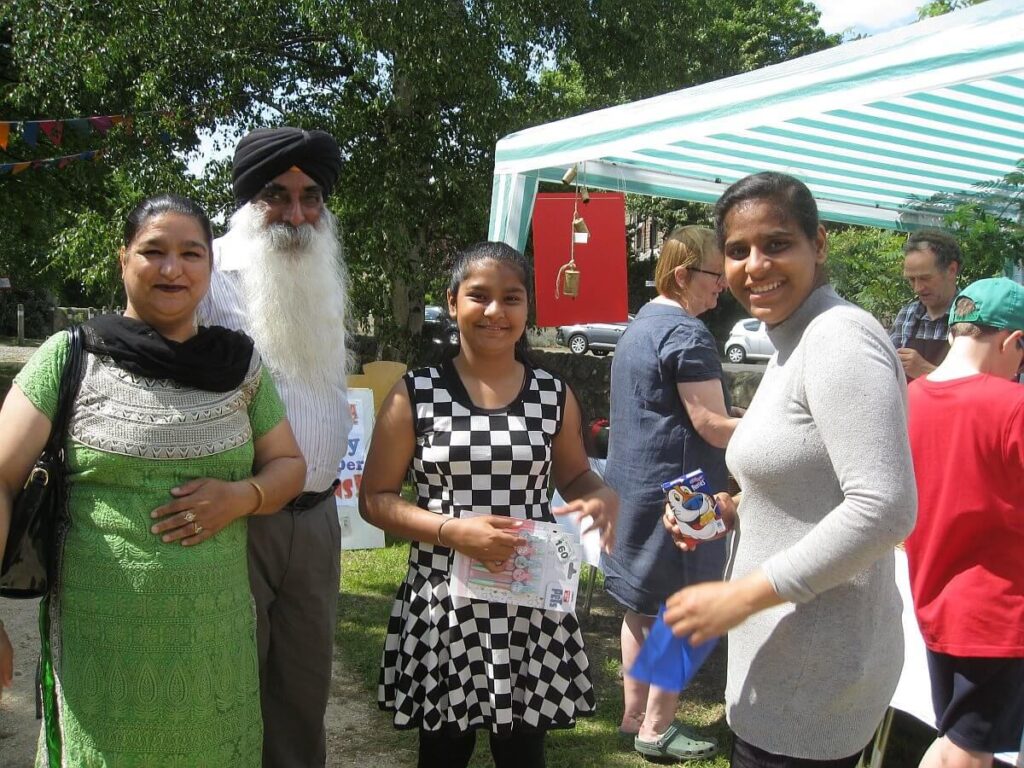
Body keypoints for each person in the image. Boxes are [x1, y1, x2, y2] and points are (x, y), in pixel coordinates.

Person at [0, 194, 306, 765]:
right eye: (153, 251)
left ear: (210, 266)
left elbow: (290, 465)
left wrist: (243, 496)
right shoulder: (71, 357)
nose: (173, 269)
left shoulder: (239, 367)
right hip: (102, 651)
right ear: (123, 259)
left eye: (191, 253)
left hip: (212, 648)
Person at [664, 172, 917, 767]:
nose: (756, 265)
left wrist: (744, 596)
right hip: (784, 663)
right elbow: (810, 485)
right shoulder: (791, 341)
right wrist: (733, 508)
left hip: (815, 674)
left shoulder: (838, 338)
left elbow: (884, 508)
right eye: (737, 250)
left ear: (818, 245)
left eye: (777, 244)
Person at [359, 242, 618, 768]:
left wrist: (601, 494)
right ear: (453, 303)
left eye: (512, 298)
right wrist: (452, 531)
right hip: (444, 596)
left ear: (528, 310)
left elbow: (574, 473)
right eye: (479, 296)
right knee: (444, 750)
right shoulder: (417, 392)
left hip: (528, 595)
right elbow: (375, 499)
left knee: (524, 750)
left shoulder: (553, 393)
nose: (495, 311)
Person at [199, 126, 352, 768]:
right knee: (225, 694)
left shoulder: (323, 267)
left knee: (301, 696)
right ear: (244, 198)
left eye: (310, 195)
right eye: (276, 195)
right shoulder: (205, 270)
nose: (296, 214)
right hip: (238, 522)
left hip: (316, 520)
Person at [601, 225, 738, 761]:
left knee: (640, 606)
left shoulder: (639, 326)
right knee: (694, 605)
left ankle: (634, 714)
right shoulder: (687, 334)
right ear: (683, 275)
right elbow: (710, 424)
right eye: (715, 276)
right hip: (686, 497)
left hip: (633, 488)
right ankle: (657, 728)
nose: (722, 287)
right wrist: (779, 429)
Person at [904, 277, 1024, 768]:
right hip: (998, 614)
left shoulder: (907, 400)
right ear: (1013, 340)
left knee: (958, 737)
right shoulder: (1013, 406)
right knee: (966, 750)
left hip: (934, 602)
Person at [889, 229, 963, 379]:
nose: (918, 288)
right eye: (912, 280)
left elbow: (982, 386)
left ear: (951, 270)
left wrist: (927, 370)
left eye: (925, 278)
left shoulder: (973, 318)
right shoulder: (907, 314)